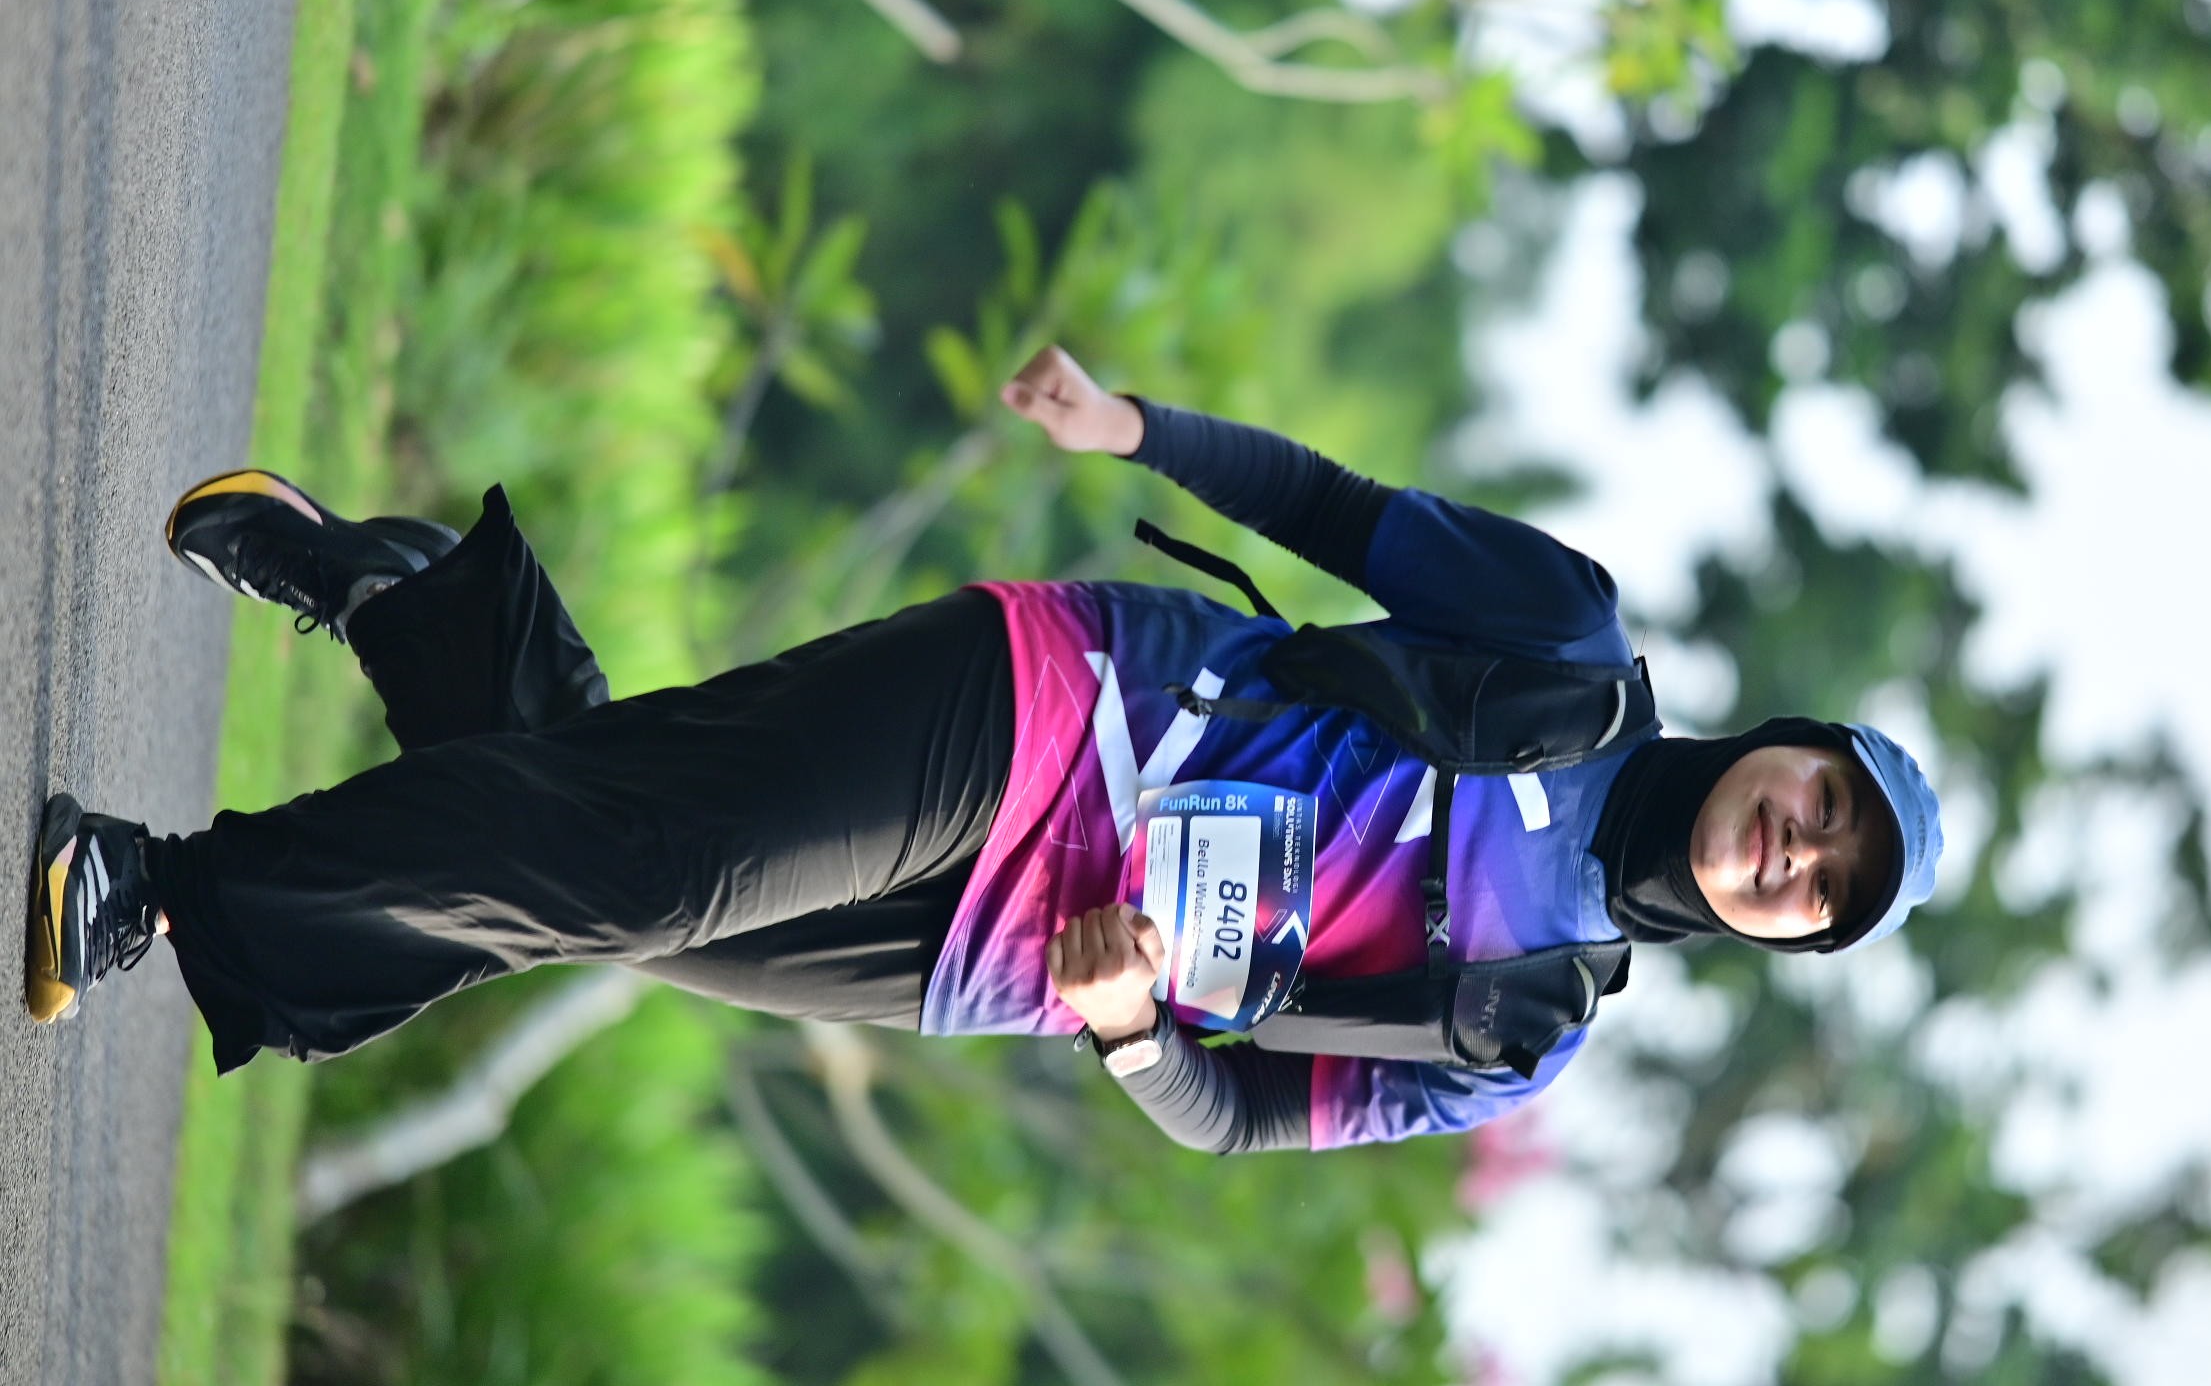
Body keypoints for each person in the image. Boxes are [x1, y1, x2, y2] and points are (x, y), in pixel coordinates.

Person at [24, 347, 1940, 1152]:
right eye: (1824, 805)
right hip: (1052, 715)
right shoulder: (1572, 651)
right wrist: (1136, 431)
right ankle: (157, 888)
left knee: (601, 863)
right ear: (1792, 749)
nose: (1797, 849)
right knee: (640, 868)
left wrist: (1126, 1030)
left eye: (1825, 888)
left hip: (984, 960)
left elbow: (1235, 1116)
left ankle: (408, 604)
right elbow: (1342, 514)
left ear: (1791, 935)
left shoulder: (1522, 1030)